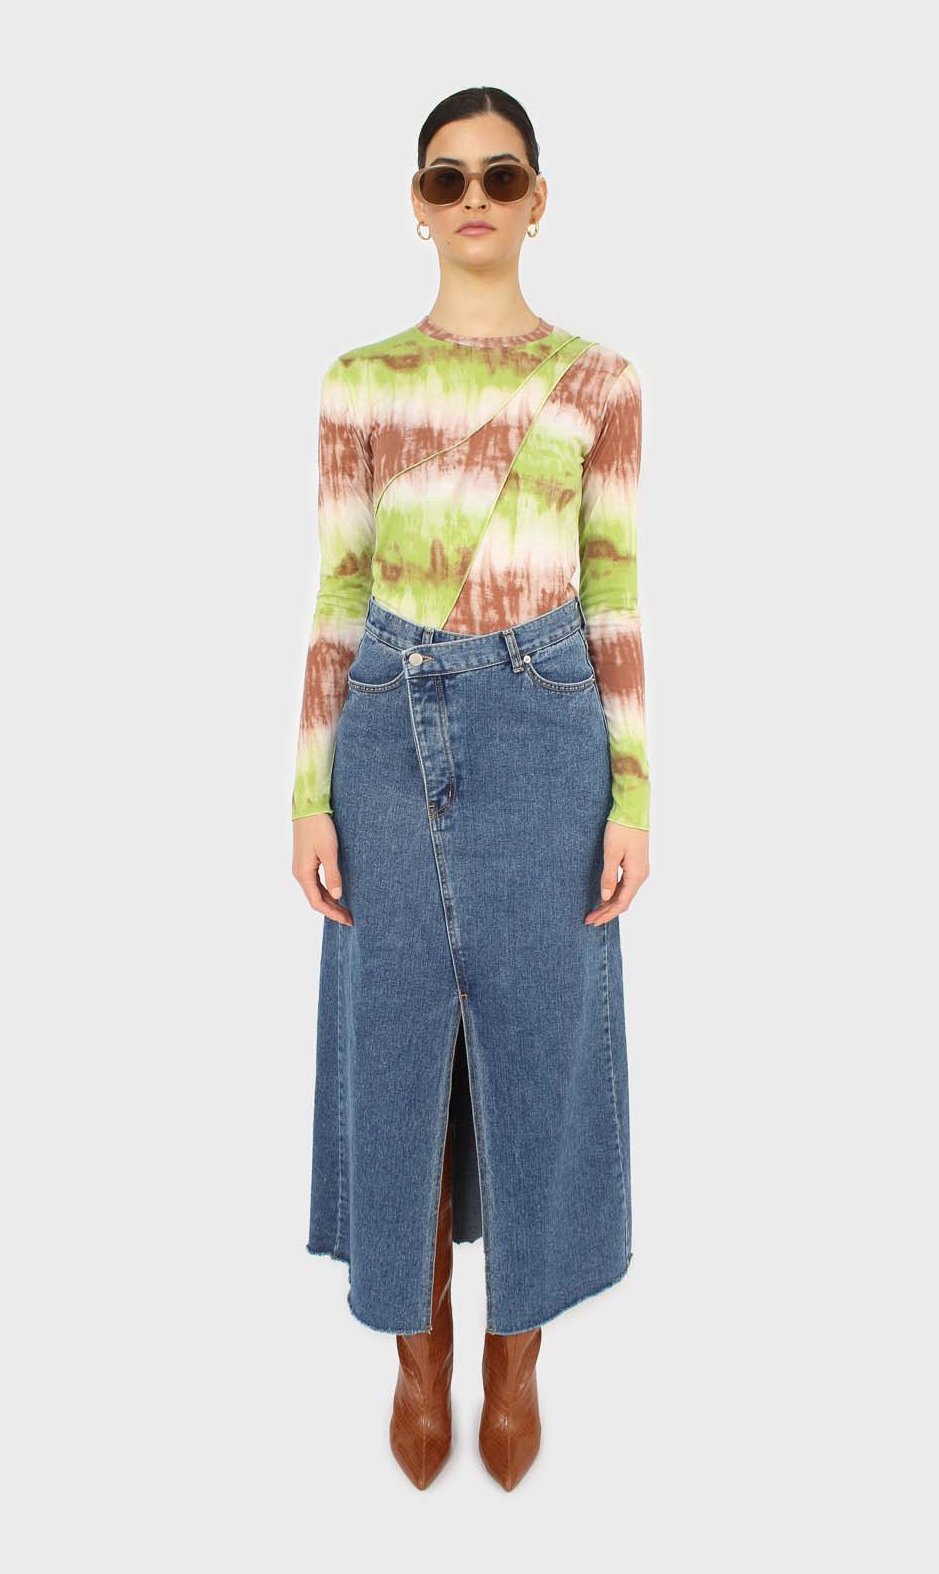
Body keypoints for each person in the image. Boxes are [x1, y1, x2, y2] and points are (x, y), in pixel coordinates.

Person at [291, 86, 651, 1491]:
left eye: (502, 175)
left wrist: (635, 797)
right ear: (419, 204)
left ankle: (519, 1350)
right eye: (449, 179)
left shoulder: (598, 380)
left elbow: (615, 590)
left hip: (547, 724)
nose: (476, 198)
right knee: (393, 1037)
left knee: (544, 1036)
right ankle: (416, 1344)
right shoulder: (359, 381)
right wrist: (307, 791)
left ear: (539, 199)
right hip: (386, 719)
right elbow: (336, 590)